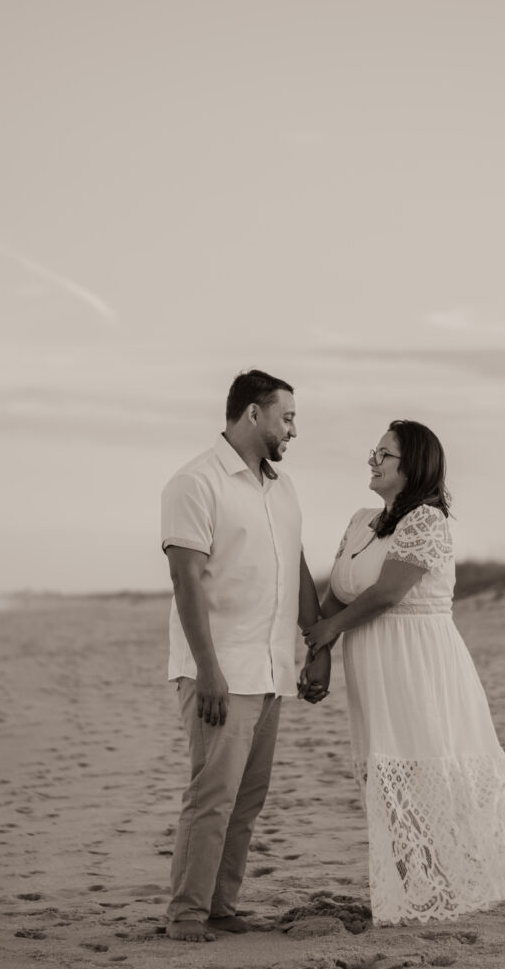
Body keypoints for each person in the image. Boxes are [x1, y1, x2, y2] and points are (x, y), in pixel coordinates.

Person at [304, 420, 505, 924]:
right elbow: (339, 593)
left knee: (417, 771)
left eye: (384, 454)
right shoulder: (360, 520)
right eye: (373, 451)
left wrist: (331, 632)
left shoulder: (426, 521)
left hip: (416, 661)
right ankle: (408, 889)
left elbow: (389, 593)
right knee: (385, 776)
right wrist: (319, 653)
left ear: (412, 467)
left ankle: (431, 891)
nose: (372, 460)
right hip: (372, 661)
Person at [160, 369, 326, 943]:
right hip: (220, 670)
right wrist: (207, 669)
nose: (294, 430)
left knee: (246, 801)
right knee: (212, 798)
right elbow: (187, 581)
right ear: (253, 414)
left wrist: (315, 640)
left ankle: (220, 906)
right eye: (288, 417)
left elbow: (295, 568)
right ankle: (186, 915)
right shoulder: (194, 482)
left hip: (271, 668)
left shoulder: (282, 488)